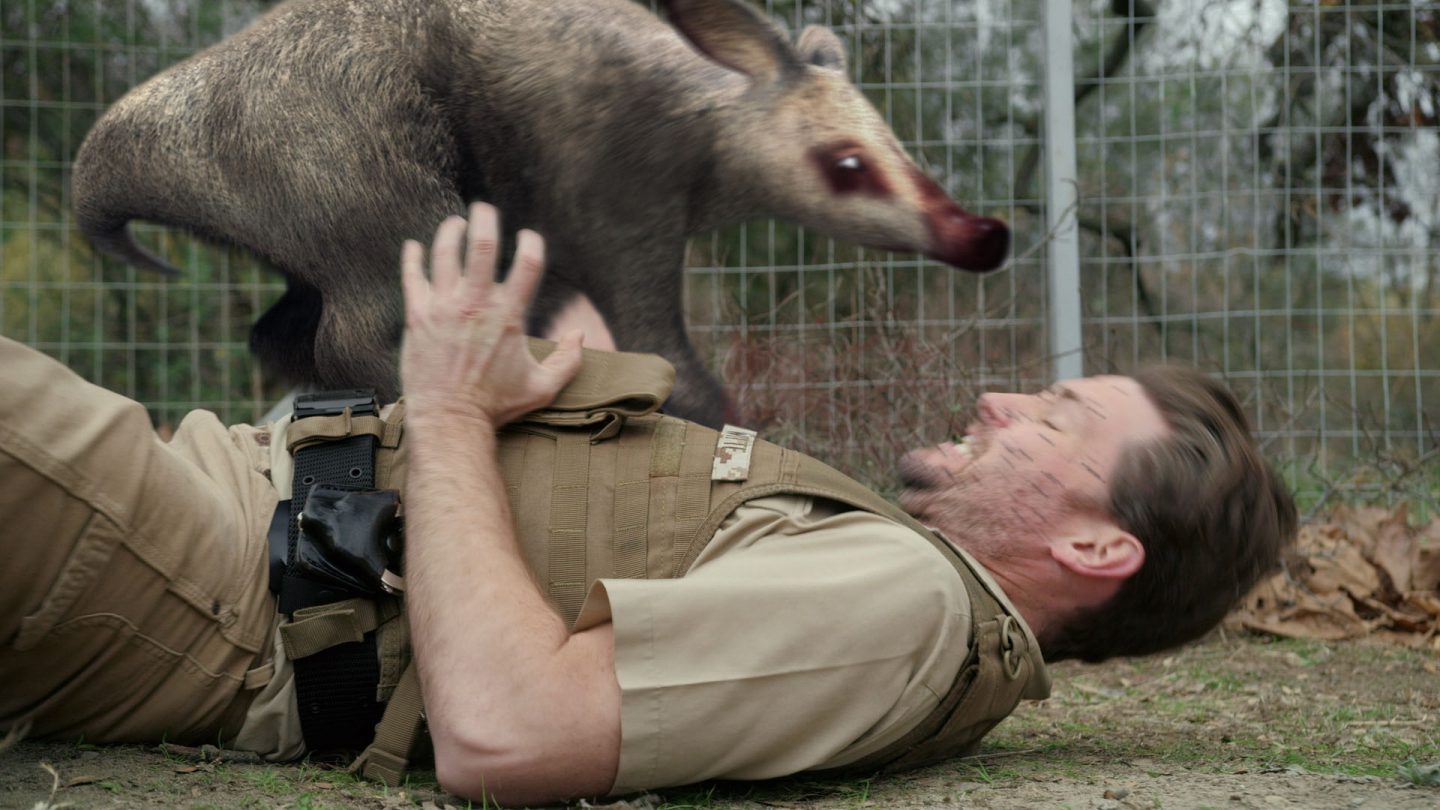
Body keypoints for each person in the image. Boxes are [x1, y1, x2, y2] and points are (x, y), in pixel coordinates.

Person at [0, 205, 1296, 806]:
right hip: (213, 507)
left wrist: (449, 408)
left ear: (1095, 543)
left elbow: (511, 730)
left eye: (1059, 420)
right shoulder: (893, 570)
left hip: (220, 583)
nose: (1007, 400)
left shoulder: (911, 607)